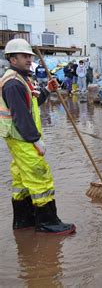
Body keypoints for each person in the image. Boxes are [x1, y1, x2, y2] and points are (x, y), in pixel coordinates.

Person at [0, 38, 75, 235]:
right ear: (12, 59)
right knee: (40, 176)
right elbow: (21, 116)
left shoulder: (22, 79)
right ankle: (48, 223)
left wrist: (47, 90)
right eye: (24, 56)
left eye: (29, 56)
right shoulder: (13, 83)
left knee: (21, 180)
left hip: (17, 138)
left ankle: (24, 220)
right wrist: (35, 139)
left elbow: (32, 103)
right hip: (22, 138)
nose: (28, 59)